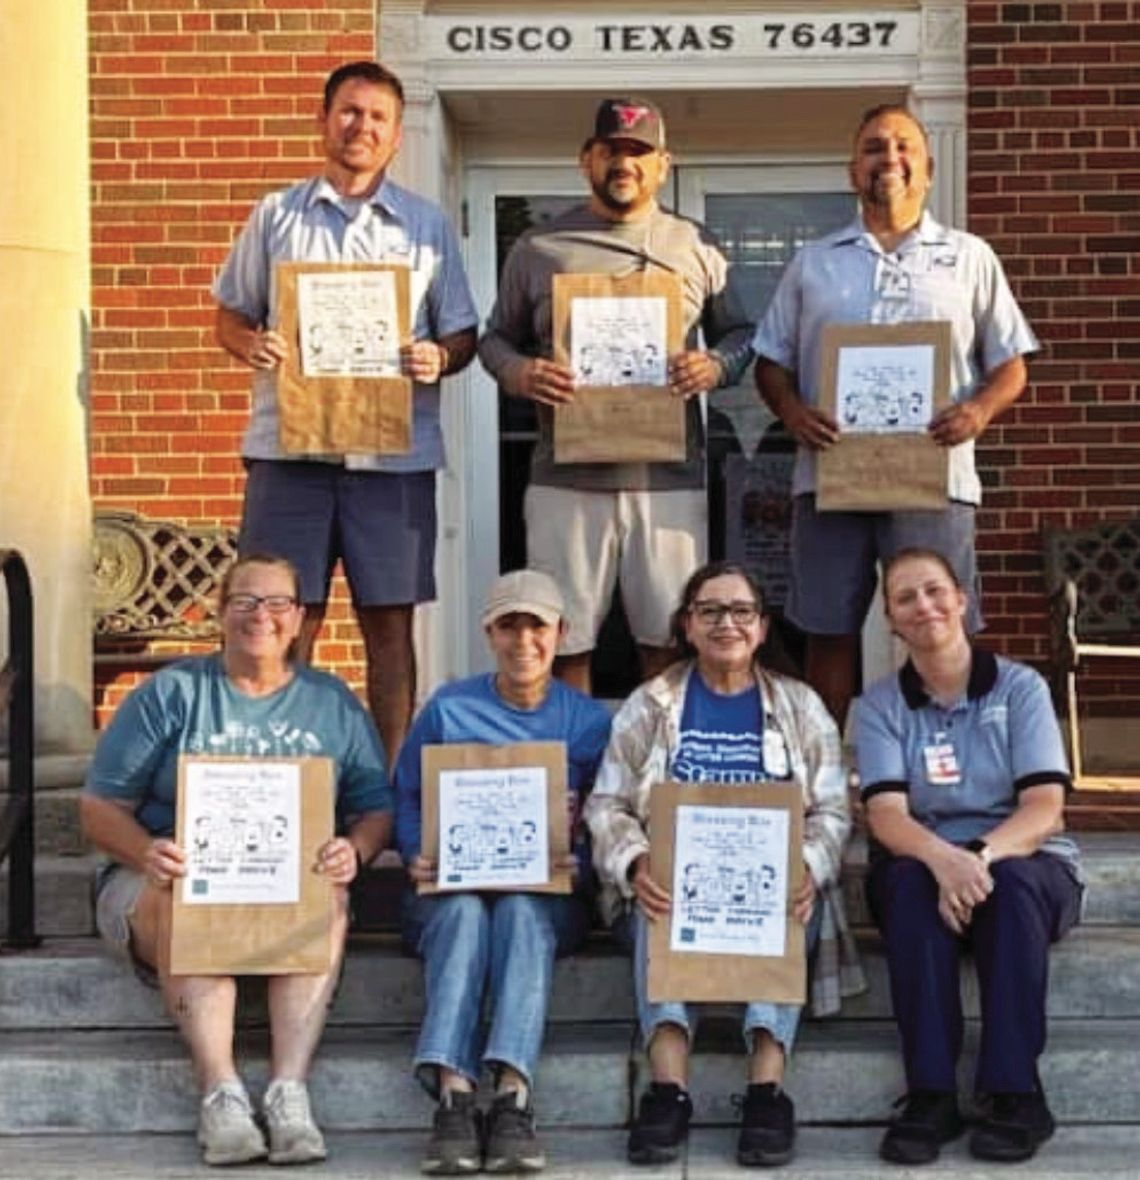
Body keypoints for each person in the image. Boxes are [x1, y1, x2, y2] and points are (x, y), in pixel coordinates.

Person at [79, 554, 392, 1167]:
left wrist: (354, 849)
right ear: (220, 614)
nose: (261, 616)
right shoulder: (172, 694)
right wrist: (148, 851)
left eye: (278, 603)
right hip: (158, 882)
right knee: (183, 893)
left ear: (300, 619)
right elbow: (97, 808)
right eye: (245, 601)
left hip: (283, 887)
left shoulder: (332, 704)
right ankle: (221, 1095)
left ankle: (287, 1093)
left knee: (327, 895)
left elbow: (375, 809)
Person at [213, 59, 479, 761]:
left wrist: (439, 358)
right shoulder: (275, 216)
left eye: (378, 118)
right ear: (324, 120)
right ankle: (276, 771)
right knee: (282, 619)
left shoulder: (425, 227)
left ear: (396, 137)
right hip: (289, 453)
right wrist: (254, 343)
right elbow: (228, 315)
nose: (362, 126)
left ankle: (386, 785)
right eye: (349, 112)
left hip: (393, 459)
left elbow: (462, 331)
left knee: (389, 627)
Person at [753, 104, 1038, 727]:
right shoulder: (814, 261)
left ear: (928, 169)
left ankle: (947, 760)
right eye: (874, 148)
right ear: (852, 169)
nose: (890, 159)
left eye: (904, 146)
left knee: (937, 622)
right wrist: (794, 412)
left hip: (934, 475)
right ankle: (827, 767)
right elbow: (769, 362)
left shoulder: (968, 257)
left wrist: (978, 411)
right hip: (830, 476)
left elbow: (1012, 364)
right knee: (827, 625)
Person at [585, 561, 862, 1167]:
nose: (726, 623)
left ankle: (765, 1089)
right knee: (657, 898)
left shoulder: (800, 706)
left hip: (768, 892)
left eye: (741, 611)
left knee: (789, 905)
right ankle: (668, 1090)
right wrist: (634, 865)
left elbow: (835, 810)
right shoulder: (650, 704)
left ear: (762, 628)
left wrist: (809, 868)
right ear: (687, 626)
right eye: (709, 611)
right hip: (673, 895)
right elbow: (606, 803)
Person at [479, 97, 755, 695]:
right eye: (611, 151)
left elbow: (742, 336)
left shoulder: (696, 245)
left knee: (669, 643)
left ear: (662, 165)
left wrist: (716, 365)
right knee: (566, 641)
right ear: (587, 160)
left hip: (670, 480)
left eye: (639, 152)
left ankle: (659, 774)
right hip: (565, 478)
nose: (624, 163)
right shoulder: (538, 247)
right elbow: (493, 339)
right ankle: (576, 773)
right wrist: (522, 373)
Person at [853, 547, 1083, 1166]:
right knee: (905, 888)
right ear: (891, 620)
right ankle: (931, 1094)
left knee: (1009, 890)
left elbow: (1043, 807)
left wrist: (977, 856)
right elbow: (886, 816)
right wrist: (943, 860)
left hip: (1023, 857)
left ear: (962, 599)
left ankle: (1014, 1091)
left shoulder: (1020, 687)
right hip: (925, 855)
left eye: (934, 591)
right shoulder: (878, 706)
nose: (923, 606)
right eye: (905, 598)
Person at [394, 569, 612, 1174]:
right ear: (489, 633)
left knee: (520, 910)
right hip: (449, 888)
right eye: (508, 626)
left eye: (536, 626)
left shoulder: (588, 722)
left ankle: (513, 1095)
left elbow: (611, 808)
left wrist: (585, 861)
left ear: (561, 633)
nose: (524, 641)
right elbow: (407, 794)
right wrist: (416, 851)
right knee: (464, 914)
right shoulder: (449, 708)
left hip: (542, 892)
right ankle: (455, 1095)